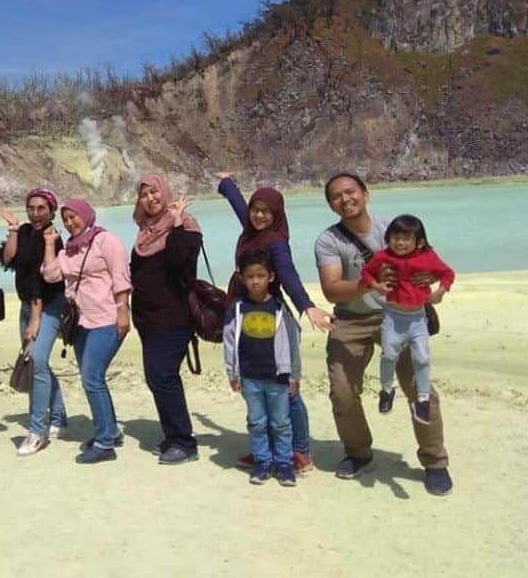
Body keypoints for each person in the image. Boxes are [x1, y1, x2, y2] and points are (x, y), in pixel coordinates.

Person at [315, 172, 453, 496]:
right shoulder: (328, 240)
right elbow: (332, 290)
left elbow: (431, 262)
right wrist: (368, 283)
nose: (345, 199)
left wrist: (430, 285)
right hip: (349, 320)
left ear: (366, 194)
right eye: (336, 196)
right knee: (342, 390)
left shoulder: (395, 229)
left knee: (420, 388)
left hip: (399, 316)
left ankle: (435, 462)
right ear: (331, 205)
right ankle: (358, 452)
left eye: (351, 192)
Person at [215, 173, 334, 474]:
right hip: (245, 309)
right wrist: (227, 183)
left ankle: (301, 451)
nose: (258, 215)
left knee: (285, 386)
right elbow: (240, 208)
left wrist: (306, 306)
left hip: (269, 313)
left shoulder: (276, 243)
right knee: (254, 380)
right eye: (256, 209)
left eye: (266, 211)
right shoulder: (251, 227)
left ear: (277, 214)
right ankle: (265, 451)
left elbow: (289, 275)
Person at [42, 198, 131, 464]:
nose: (70, 223)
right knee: (94, 378)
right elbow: (50, 274)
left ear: (86, 215)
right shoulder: (69, 250)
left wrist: (123, 311)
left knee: (91, 378)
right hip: (80, 323)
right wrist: (49, 243)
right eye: (66, 218)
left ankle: (104, 443)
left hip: (107, 319)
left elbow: (121, 276)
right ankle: (111, 431)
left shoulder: (106, 241)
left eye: (74, 217)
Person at [129, 174, 203, 465]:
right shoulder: (145, 231)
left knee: (163, 376)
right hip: (148, 318)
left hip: (173, 316)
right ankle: (173, 435)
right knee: (156, 377)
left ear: (165, 192)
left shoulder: (187, 225)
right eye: (144, 194)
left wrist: (175, 223)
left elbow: (178, 264)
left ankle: (185, 442)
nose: (150, 198)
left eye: (155, 192)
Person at [360, 214, 455, 425]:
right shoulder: (384, 256)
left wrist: (440, 291)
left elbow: (448, 274)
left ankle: (422, 400)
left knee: (422, 359)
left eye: (406, 239)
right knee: (388, 356)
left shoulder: (427, 256)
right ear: (388, 238)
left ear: (419, 242)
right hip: (393, 318)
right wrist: (376, 286)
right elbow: (366, 272)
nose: (400, 243)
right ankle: (386, 390)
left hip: (418, 319)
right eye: (395, 237)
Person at [0, 188, 68, 456]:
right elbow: (8, 259)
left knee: (36, 360)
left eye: (42, 208)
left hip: (49, 305)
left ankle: (36, 431)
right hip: (27, 304)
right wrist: (14, 229)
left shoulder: (54, 238)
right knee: (39, 361)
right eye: (31, 208)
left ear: (51, 211)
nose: (36, 213)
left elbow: (46, 279)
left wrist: (36, 317)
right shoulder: (25, 232)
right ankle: (59, 417)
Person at [223, 249, 301, 486]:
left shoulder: (280, 309)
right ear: (242, 278)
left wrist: (295, 374)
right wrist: (232, 373)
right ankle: (262, 461)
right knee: (256, 422)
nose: (255, 281)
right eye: (250, 276)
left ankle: (285, 463)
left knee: (281, 423)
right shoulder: (238, 308)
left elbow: (293, 341)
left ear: (271, 277)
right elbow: (228, 341)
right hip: (249, 377)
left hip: (277, 377)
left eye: (260, 275)